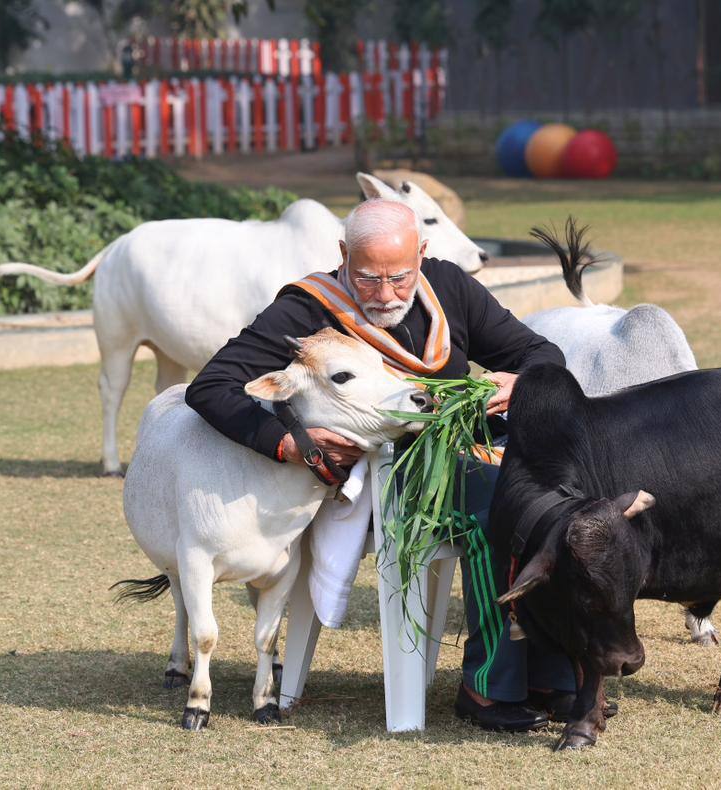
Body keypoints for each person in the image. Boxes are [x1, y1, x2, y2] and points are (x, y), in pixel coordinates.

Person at [185, 198, 576, 732]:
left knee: (560, 497)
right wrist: (290, 443)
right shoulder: (308, 307)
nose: (386, 295)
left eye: (399, 276)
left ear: (423, 253)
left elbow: (540, 352)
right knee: (502, 501)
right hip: (384, 477)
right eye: (368, 278)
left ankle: (552, 677)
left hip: (464, 451)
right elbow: (211, 386)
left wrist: (519, 381)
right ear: (345, 255)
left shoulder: (448, 287)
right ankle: (488, 688)